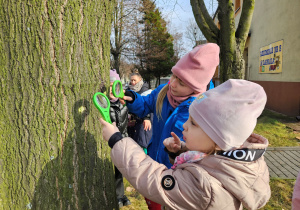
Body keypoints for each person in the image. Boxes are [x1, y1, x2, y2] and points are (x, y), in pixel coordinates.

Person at [100, 79, 271, 209]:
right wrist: (180, 152)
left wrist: (118, 141)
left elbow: (155, 181)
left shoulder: (205, 186)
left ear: (219, 139)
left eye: (194, 123)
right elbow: (209, 163)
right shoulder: (235, 161)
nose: (184, 126)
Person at [108, 69, 131, 208]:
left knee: (119, 171)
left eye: (114, 85)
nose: (112, 89)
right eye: (109, 86)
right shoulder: (105, 104)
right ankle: (115, 195)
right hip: (109, 141)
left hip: (121, 140)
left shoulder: (122, 103)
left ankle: (120, 194)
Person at [127, 70, 153, 154]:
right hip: (131, 124)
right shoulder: (128, 90)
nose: (133, 82)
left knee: (142, 144)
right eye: (131, 80)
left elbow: (148, 105)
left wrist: (146, 117)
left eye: (135, 80)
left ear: (140, 80)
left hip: (142, 123)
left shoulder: (147, 91)